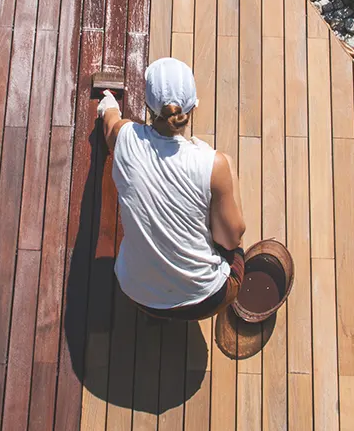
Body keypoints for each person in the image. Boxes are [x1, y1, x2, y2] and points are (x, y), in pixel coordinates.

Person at [96, 57, 246, 321]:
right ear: (193, 108)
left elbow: (110, 123)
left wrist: (108, 102)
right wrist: (224, 170)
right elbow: (231, 240)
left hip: (137, 293)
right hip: (206, 299)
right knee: (231, 221)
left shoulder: (125, 139)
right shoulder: (212, 164)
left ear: (148, 107)